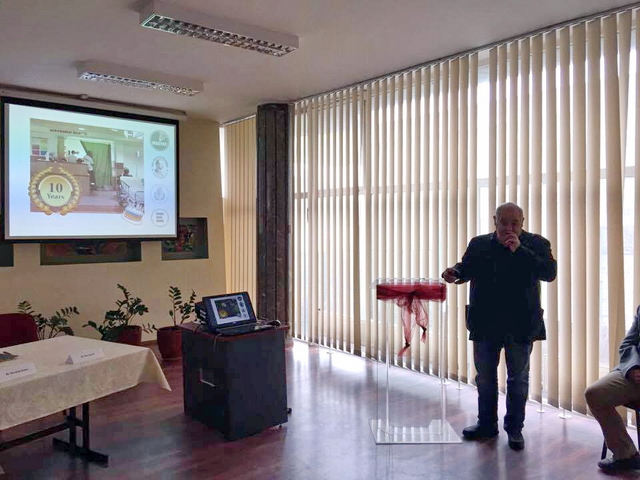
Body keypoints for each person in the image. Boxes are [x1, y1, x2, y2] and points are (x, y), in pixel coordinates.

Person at [441, 202, 557, 450]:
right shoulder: (479, 243)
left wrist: (520, 250)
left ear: (523, 222)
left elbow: (549, 273)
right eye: (504, 222)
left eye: (514, 223)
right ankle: (486, 424)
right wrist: (455, 272)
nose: (509, 228)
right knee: (485, 377)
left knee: (518, 379)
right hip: (485, 322)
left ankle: (515, 429)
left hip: (521, 324)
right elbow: (467, 268)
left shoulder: (536, 243)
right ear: (495, 221)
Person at [585, 307, 640, 471]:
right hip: (635, 374)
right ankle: (626, 455)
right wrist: (633, 369)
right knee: (595, 394)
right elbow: (628, 344)